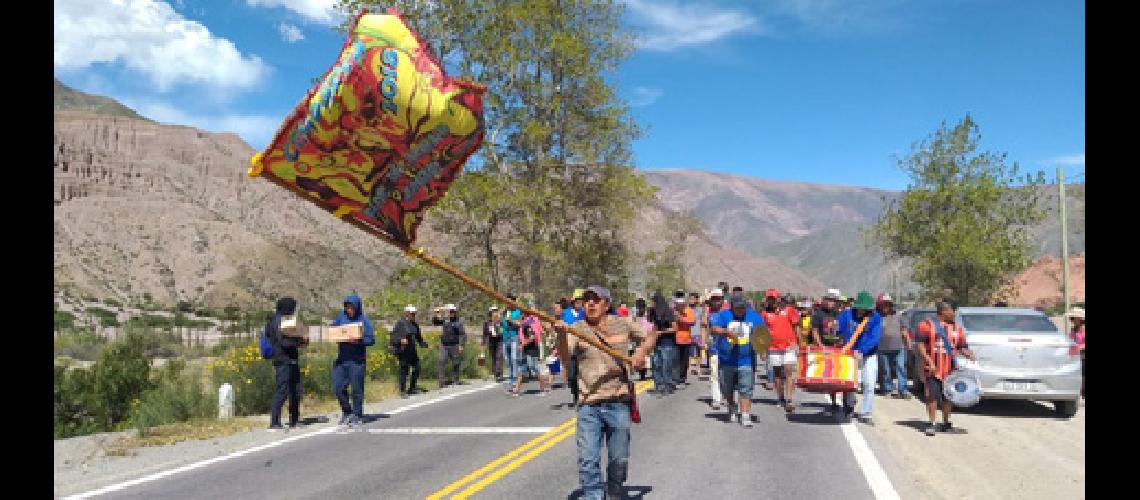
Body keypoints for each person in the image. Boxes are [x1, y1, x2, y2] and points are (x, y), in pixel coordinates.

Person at [552, 285, 656, 500]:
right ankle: (593, 496)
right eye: (587, 299)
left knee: (619, 459)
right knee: (588, 459)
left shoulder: (623, 323)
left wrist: (640, 353)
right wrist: (561, 335)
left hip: (618, 402)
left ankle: (615, 489)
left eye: (596, 300)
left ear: (606, 305)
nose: (590, 303)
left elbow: (651, 334)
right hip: (589, 403)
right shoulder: (577, 328)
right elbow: (564, 357)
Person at [914, 300, 977, 436]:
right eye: (952, 310)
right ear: (944, 311)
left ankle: (946, 422)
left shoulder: (957, 329)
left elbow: (961, 346)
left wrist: (968, 354)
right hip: (932, 368)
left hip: (950, 369)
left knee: (948, 396)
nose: (954, 313)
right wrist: (929, 361)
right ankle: (931, 423)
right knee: (932, 396)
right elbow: (920, 345)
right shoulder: (926, 325)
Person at [709, 295, 765, 427]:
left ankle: (745, 415)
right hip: (726, 359)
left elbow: (762, 333)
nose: (740, 310)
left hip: (746, 360)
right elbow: (713, 329)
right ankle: (732, 407)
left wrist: (762, 350)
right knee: (727, 389)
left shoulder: (754, 317)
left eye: (742, 307)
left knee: (746, 388)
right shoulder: (724, 315)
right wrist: (726, 332)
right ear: (732, 307)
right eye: (737, 308)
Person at [836, 291, 883, 425]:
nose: (864, 311)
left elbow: (875, 337)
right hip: (850, 355)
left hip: (868, 355)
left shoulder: (875, 318)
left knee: (869, 383)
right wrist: (833, 328)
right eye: (862, 308)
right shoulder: (847, 314)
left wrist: (862, 350)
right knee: (850, 383)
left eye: (867, 309)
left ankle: (866, 412)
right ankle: (849, 406)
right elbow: (838, 329)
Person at [332, 294, 376, 426]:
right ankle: (347, 412)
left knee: (357, 389)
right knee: (338, 387)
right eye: (347, 307)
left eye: (351, 307)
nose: (349, 310)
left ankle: (357, 414)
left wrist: (359, 340)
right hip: (342, 360)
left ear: (357, 308)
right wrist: (335, 334)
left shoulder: (364, 320)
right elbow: (334, 330)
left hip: (356, 361)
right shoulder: (341, 317)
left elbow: (371, 339)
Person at [266, 296, 309, 431]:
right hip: (283, 360)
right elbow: (284, 342)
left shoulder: (277, 320)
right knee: (283, 390)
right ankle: (274, 422)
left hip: (290, 360)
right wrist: (300, 341)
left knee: (295, 390)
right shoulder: (279, 322)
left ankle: (294, 419)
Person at [760, 289, 801, 413]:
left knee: (789, 371)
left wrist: (799, 344)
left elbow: (796, 327)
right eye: (769, 298)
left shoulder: (789, 310)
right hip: (773, 347)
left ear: (778, 299)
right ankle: (780, 397)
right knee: (777, 374)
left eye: (773, 298)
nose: (771, 300)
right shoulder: (765, 313)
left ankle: (789, 399)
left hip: (789, 346)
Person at [812, 289, 844, 413]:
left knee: (837, 374)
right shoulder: (818, 314)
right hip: (824, 347)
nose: (831, 302)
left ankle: (842, 400)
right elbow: (815, 330)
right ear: (825, 300)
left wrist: (841, 343)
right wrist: (820, 345)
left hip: (837, 347)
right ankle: (834, 401)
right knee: (829, 376)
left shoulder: (840, 314)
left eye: (833, 300)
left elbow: (844, 330)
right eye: (829, 299)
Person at [875, 294, 910, 399]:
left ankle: (903, 390)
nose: (884, 307)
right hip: (882, 348)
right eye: (882, 305)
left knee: (901, 369)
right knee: (886, 370)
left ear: (890, 305)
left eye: (887, 305)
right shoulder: (876, 317)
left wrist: (908, 343)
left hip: (899, 347)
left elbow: (904, 331)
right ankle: (887, 389)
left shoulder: (899, 316)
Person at [512, 306, 551, 396]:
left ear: (525, 313)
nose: (520, 315)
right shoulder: (527, 322)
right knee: (522, 369)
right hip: (527, 350)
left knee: (535, 369)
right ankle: (516, 390)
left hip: (531, 350)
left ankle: (543, 389)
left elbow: (532, 337)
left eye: (521, 313)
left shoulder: (528, 324)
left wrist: (522, 344)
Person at [391, 305, 428, 398]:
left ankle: (412, 388)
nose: (413, 315)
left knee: (417, 368)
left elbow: (419, 338)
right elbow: (393, 337)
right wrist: (400, 340)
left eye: (414, 314)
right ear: (407, 313)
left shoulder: (415, 325)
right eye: (412, 313)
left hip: (412, 351)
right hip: (403, 351)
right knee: (404, 371)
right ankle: (402, 391)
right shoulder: (400, 323)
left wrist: (424, 344)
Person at [649, 291, 677, 396]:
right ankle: (659, 386)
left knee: (667, 365)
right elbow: (655, 326)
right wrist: (651, 336)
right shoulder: (655, 313)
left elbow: (675, 328)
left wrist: (662, 332)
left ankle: (668, 385)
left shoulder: (668, 312)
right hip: (657, 342)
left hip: (668, 343)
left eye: (653, 302)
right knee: (656, 364)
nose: (652, 304)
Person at [704, 289, 726, 409]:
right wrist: (704, 342)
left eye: (718, 299)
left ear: (722, 300)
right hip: (714, 348)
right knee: (714, 374)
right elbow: (705, 327)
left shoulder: (728, 313)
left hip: (727, 349)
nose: (716, 301)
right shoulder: (709, 314)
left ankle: (726, 396)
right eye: (714, 299)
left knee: (726, 374)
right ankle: (716, 399)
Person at [439, 304, 467, 387]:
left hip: (454, 345)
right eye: (449, 311)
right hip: (444, 345)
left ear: (455, 312)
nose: (451, 313)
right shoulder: (444, 320)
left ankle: (455, 379)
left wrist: (461, 345)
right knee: (441, 361)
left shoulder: (458, 321)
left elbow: (462, 334)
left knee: (456, 363)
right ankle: (441, 382)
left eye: (452, 311)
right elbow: (435, 321)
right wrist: (438, 311)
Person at [501, 295, 523, 392]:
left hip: (514, 337)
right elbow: (498, 320)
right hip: (505, 338)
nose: (507, 303)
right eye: (506, 302)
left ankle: (515, 379)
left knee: (514, 358)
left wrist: (511, 321)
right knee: (508, 360)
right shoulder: (504, 312)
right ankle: (511, 378)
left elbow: (520, 324)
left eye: (509, 302)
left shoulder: (518, 312)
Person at [673, 297, 695, 386]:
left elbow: (692, 322)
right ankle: (675, 377)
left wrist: (681, 318)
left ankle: (682, 378)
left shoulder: (689, 311)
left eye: (681, 305)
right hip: (675, 339)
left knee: (684, 360)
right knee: (675, 360)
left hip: (686, 340)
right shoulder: (673, 311)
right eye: (678, 305)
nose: (679, 306)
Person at [1066, 307, 1085, 398]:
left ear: (1080, 319)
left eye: (1074, 318)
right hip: (1075, 354)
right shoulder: (1073, 330)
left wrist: (1080, 347)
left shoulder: (1083, 330)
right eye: (1072, 318)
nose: (1072, 320)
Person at [482, 306, 504, 381]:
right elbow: (484, 333)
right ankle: (495, 373)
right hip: (491, 341)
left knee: (499, 356)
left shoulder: (500, 321)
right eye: (493, 311)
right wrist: (483, 342)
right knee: (494, 357)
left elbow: (502, 331)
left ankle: (499, 373)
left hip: (499, 341)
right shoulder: (486, 322)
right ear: (490, 313)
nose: (494, 312)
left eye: (496, 311)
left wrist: (498, 327)